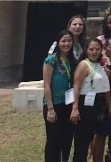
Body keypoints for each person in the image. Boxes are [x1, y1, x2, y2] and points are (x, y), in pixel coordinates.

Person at [70, 37, 110, 162]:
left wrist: (109, 106)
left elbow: (104, 87)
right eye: (91, 49)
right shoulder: (84, 65)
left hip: (97, 105)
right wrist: (75, 108)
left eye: (97, 49)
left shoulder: (99, 65)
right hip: (85, 105)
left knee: (93, 138)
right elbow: (76, 87)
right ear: (86, 50)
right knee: (82, 140)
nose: (94, 52)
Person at [43, 30, 77, 162]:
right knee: (53, 140)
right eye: (63, 41)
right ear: (58, 43)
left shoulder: (72, 60)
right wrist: (50, 109)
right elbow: (47, 85)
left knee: (67, 139)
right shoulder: (51, 60)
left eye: (69, 41)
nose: (66, 44)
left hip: (68, 104)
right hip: (54, 105)